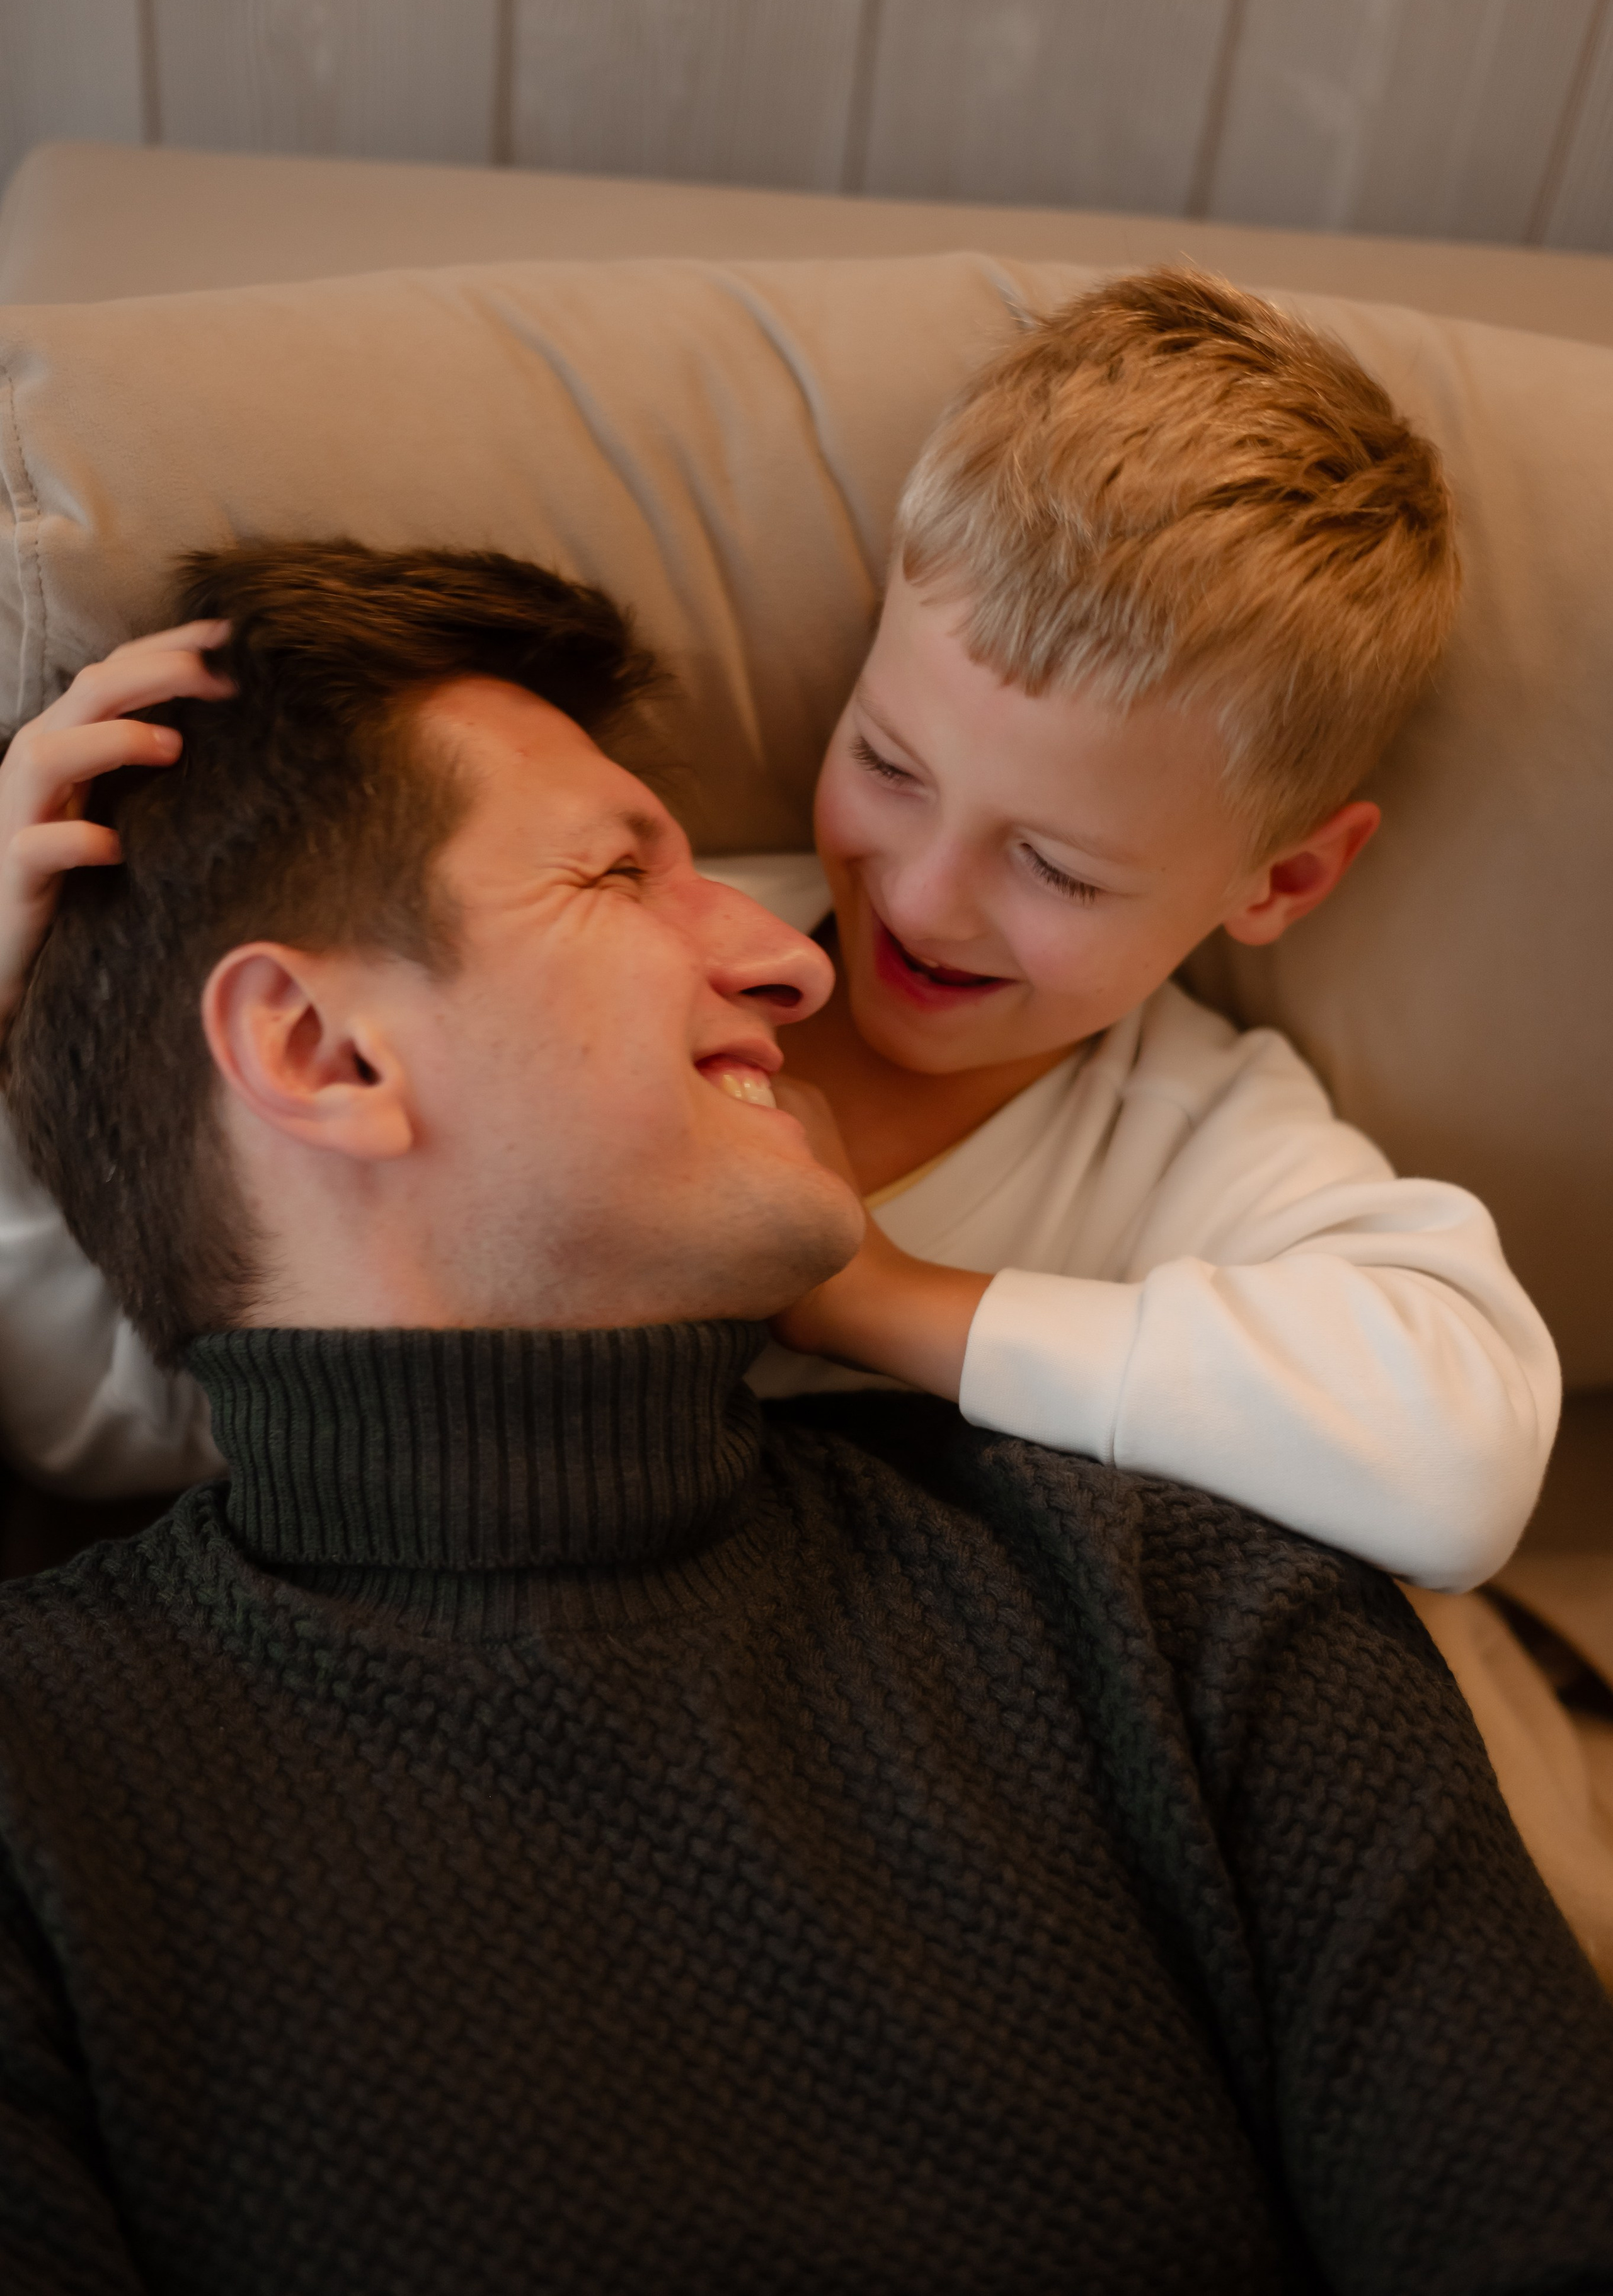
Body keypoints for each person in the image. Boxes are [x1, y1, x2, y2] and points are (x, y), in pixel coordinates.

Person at [0, 540, 1610, 2296]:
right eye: (624, 872)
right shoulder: (40, 1793)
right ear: (320, 1053)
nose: (806, 956)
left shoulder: (1197, 1611)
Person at [0, 270, 1556, 1598]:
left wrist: (876, 1295)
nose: (919, 897)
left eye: (1058, 870)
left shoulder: (1192, 1135)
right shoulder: (634, 926)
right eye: (885, 764)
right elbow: (115, 1399)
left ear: (1275, 883)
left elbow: (1456, 1455)